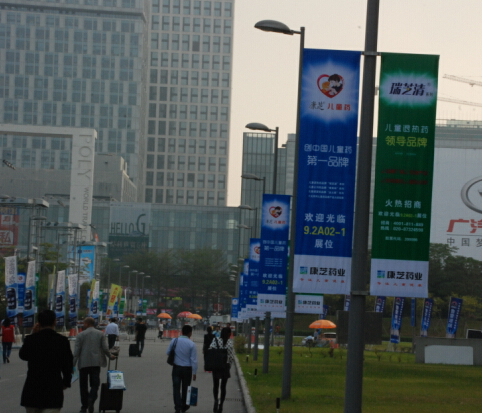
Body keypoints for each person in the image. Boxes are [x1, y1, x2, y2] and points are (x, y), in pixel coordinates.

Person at [19, 309, 73, 413]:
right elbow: (68, 364)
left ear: (38, 323)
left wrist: (33, 334)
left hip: (32, 390)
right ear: (54, 322)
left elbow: (23, 355)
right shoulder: (62, 341)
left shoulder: (31, 339)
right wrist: (66, 382)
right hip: (53, 390)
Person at [73, 317, 116, 413]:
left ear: (87, 324)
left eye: (84, 323)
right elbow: (105, 348)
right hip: (96, 363)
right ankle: (91, 398)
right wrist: (110, 356)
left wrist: (73, 365)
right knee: (95, 384)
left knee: (83, 386)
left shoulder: (80, 335)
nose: (83, 325)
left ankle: (84, 407)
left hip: (83, 364)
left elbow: (76, 351)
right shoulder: (100, 334)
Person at [166, 325, 197, 413]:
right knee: (186, 388)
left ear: (182, 332)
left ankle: (177, 407)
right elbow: (194, 360)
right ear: (190, 333)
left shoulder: (174, 340)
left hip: (176, 368)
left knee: (176, 388)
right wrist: (194, 372)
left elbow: (168, 352)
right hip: (187, 369)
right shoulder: (192, 344)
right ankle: (184, 406)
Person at [209, 327, 235, 413]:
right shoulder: (230, 343)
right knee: (223, 387)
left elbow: (210, 350)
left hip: (216, 366)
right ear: (229, 334)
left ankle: (216, 400)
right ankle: (221, 405)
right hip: (225, 367)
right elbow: (231, 357)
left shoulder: (215, 340)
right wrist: (229, 366)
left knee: (215, 385)